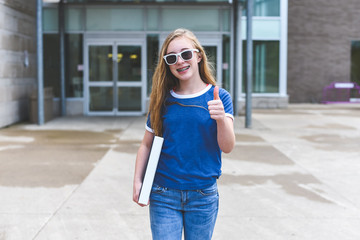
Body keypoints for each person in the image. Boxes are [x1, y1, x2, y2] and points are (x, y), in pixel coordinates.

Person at [133, 28, 235, 240]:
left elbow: (227, 147)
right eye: (172, 58)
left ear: (198, 55)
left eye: (186, 54)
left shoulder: (219, 97)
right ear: (167, 65)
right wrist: (137, 182)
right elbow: (146, 144)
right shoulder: (161, 99)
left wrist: (221, 119)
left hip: (203, 195)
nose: (180, 61)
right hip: (163, 194)